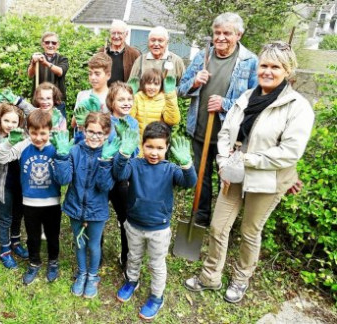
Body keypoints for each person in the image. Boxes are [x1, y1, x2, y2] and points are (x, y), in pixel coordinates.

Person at [183, 41, 314, 304]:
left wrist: (246, 160)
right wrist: (223, 159)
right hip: (234, 172)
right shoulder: (245, 98)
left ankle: (241, 278)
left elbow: (290, 152)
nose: (267, 71)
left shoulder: (297, 107)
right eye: (264, 65)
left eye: (275, 67)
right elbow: (225, 132)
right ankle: (210, 276)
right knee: (219, 227)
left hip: (267, 179)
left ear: (287, 71)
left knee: (250, 232)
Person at [179, 12, 259, 226]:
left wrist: (224, 103)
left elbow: (255, 102)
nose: (221, 37)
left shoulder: (250, 61)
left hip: (230, 135)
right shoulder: (203, 56)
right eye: (217, 33)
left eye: (227, 33)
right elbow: (181, 89)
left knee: (228, 178)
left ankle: (224, 224)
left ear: (238, 35)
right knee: (201, 177)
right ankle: (201, 219)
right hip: (200, 128)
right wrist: (195, 82)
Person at [113, 122, 197, 320]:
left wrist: (187, 165)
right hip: (133, 225)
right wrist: (123, 154)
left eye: (160, 148)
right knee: (133, 257)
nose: (154, 152)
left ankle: (156, 297)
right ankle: (132, 281)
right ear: (142, 145)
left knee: (156, 264)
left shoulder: (171, 169)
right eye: (149, 146)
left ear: (167, 148)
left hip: (159, 229)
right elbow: (119, 174)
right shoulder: (134, 164)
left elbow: (189, 183)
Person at [53, 112, 120, 299]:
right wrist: (62, 156)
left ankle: (92, 275)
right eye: (91, 131)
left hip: (97, 210)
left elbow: (106, 186)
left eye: (100, 133)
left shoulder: (109, 153)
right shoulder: (75, 150)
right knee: (79, 242)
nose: (94, 136)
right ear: (83, 130)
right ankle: (82, 273)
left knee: (93, 245)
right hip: (75, 206)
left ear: (107, 134)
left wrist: (106, 162)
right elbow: (64, 179)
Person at [0, 109, 62, 285]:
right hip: (30, 202)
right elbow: (1, 158)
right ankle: (34, 263)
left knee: (52, 235)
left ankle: (53, 262)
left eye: (43, 133)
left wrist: (63, 154)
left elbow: (64, 173)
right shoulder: (24, 144)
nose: (38, 137)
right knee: (32, 237)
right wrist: (8, 143)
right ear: (28, 131)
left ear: (50, 130)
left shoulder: (56, 145)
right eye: (34, 133)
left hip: (52, 202)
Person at [106, 81, 139, 271]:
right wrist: (117, 143)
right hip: (104, 177)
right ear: (112, 102)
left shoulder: (133, 123)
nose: (126, 103)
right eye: (121, 99)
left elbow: (135, 152)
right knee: (99, 216)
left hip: (123, 180)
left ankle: (126, 257)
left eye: (129, 99)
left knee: (126, 219)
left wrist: (128, 148)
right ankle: (97, 251)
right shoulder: (105, 121)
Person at [0, 104, 29, 269]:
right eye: (6, 120)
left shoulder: (24, 136)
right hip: (4, 185)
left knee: (18, 215)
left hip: (21, 185)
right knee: (5, 217)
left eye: (14, 121)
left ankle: (15, 242)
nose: (10, 125)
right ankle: (4, 249)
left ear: (20, 123)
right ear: (0, 120)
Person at [131, 68, 180, 151]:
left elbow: (173, 121)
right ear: (143, 84)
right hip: (137, 145)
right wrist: (129, 96)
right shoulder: (137, 97)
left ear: (161, 85)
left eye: (156, 84)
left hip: (155, 146)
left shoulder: (164, 99)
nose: (152, 87)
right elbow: (129, 119)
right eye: (148, 83)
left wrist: (170, 95)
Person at [28, 32, 69, 119]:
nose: (50, 45)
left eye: (53, 43)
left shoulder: (63, 59)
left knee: (58, 128)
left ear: (58, 45)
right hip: (39, 101)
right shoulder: (37, 58)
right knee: (37, 127)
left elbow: (60, 72)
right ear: (43, 44)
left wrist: (45, 63)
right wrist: (33, 62)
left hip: (57, 103)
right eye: (47, 42)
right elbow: (30, 75)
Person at [99, 20, 141, 85]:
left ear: (126, 34)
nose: (116, 36)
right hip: (105, 94)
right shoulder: (102, 52)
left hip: (124, 94)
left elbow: (138, 78)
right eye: (113, 33)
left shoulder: (134, 54)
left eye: (119, 33)